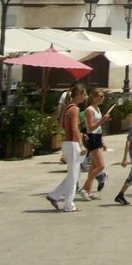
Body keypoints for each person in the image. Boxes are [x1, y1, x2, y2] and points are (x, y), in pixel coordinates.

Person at [46, 83, 87, 213]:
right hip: (73, 144)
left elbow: (65, 127)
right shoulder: (74, 109)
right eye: (84, 94)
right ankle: (68, 204)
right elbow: (74, 128)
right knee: (74, 175)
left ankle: (55, 195)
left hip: (68, 143)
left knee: (74, 174)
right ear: (79, 95)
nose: (85, 97)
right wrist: (81, 144)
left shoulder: (67, 108)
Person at [77, 88, 113, 201]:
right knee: (101, 166)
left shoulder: (97, 109)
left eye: (103, 96)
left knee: (93, 166)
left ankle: (88, 190)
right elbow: (91, 127)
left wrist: (102, 141)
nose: (102, 98)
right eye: (100, 96)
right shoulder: (90, 110)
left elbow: (99, 128)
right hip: (92, 138)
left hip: (97, 137)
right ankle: (84, 188)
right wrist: (102, 120)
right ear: (93, 97)